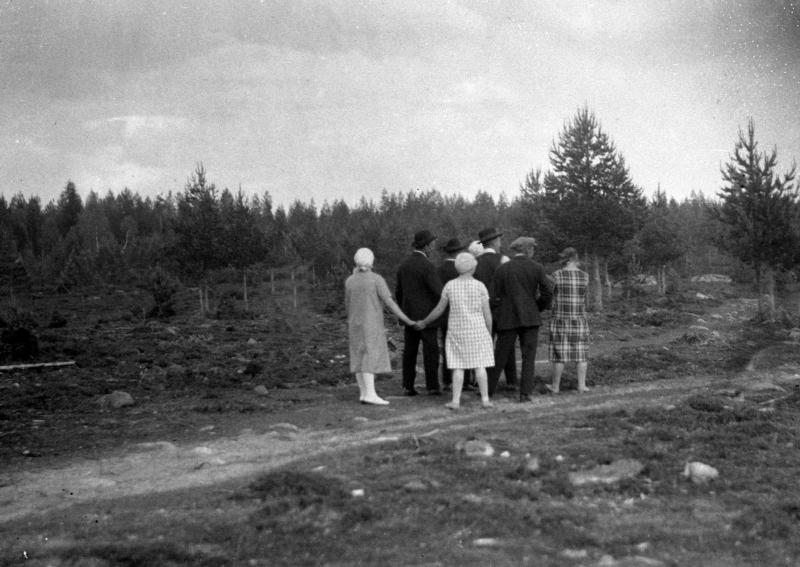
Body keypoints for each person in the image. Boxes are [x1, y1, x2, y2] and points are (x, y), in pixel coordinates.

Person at [416, 252, 494, 409]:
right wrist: (490, 332)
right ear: (472, 268)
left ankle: (456, 401)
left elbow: (439, 309)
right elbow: (487, 314)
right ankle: (485, 399)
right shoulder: (480, 286)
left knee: (458, 366)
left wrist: (425, 321)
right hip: (478, 330)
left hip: (457, 331)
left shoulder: (450, 286)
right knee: (480, 365)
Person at [345, 248, 415, 405]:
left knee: (358, 356)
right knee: (369, 357)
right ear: (371, 261)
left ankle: (363, 393)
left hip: (354, 323)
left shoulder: (350, 281)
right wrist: (406, 319)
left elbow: (347, 304)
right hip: (371, 323)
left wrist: (351, 320)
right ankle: (370, 394)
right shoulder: (376, 279)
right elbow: (390, 302)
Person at [488, 237, 552, 401]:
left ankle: (487, 391)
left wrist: (500, 311)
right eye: (533, 248)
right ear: (528, 249)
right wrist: (537, 307)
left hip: (507, 317)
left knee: (500, 356)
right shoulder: (536, 267)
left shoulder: (503, 269)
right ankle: (525, 393)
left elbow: (493, 296)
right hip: (530, 317)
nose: (533, 251)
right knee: (528, 357)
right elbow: (547, 292)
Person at [395, 230, 444, 396]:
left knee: (410, 351)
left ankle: (408, 385)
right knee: (431, 352)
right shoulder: (428, 266)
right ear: (427, 246)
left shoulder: (404, 265)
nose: (434, 247)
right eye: (432, 244)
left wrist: (403, 313)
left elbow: (399, 292)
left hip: (409, 316)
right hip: (427, 318)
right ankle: (432, 386)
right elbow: (439, 292)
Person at [473, 227, 516, 389]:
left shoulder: (475, 262)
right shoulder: (504, 259)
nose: (500, 242)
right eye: (499, 240)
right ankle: (511, 380)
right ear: (494, 241)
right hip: (503, 308)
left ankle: (482, 380)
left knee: (484, 344)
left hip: (482, 308)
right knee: (507, 345)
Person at [548, 247, 590, 394]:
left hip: (560, 318)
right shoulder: (585, 276)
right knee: (581, 354)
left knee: (559, 354)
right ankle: (582, 385)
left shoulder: (556, 275)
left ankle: (555, 386)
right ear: (575, 258)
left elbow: (550, 294)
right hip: (579, 319)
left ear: (564, 259)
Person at [436, 238, 466, 391]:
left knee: (447, 346)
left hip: (445, 313)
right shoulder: (461, 269)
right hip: (460, 312)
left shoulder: (439, 270)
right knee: (464, 346)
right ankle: (464, 380)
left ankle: (447, 380)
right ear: (459, 252)